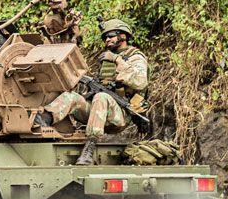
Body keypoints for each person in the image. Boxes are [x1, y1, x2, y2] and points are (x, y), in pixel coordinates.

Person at [34, 19, 149, 165]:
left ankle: (89, 149)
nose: (107, 39)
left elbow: (140, 81)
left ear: (123, 36)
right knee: (72, 97)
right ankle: (44, 120)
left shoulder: (135, 57)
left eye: (111, 35)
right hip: (99, 112)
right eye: (105, 37)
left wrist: (117, 59)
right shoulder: (106, 59)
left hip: (120, 115)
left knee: (102, 97)